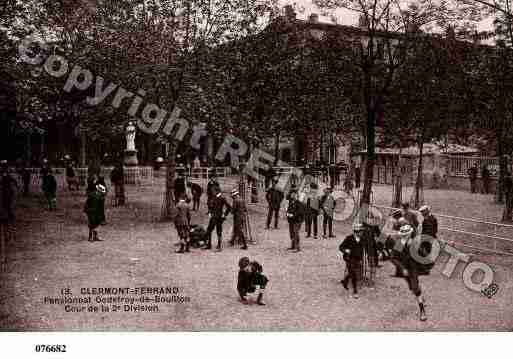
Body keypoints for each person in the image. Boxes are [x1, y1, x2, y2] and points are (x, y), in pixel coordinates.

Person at [388, 224, 429, 321]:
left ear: (410, 234)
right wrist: (402, 268)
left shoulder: (414, 243)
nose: (406, 236)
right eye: (404, 234)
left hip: (413, 269)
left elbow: (423, 255)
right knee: (412, 287)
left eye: (408, 234)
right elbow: (393, 258)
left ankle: (422, 311)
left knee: (415, 287)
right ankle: (419, 294)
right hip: (404, 269)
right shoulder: (399, 244)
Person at [339, 222, 365, 299]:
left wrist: (361, 259)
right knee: (353, 273)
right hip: (349, 257)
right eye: (361, 231)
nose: (362, 233)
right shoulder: (349, 238)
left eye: (362, 231)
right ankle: (355, 291)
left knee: (351, 272)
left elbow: (361, 251)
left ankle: (345, 280)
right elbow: (341, 247)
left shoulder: (362, 239)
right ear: (356, 232)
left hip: (357, 258)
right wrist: (345, 250)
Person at [1, 162, 17, 245]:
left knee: (8, 211)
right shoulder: (6, 176)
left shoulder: (7, 176)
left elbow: (13, 182)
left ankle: (10, 237)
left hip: (7, 195)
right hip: (6, 194)